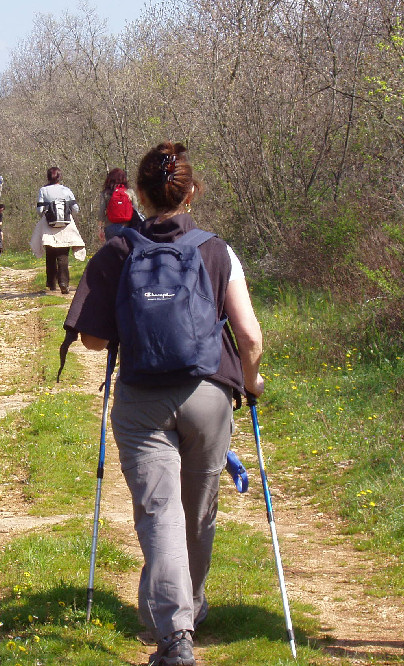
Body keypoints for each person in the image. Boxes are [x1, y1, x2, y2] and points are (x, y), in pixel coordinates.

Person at [63, 142, 264, 665]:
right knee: (197, 510)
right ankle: (189, 609)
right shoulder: (216, 250)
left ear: (138, 196)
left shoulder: (118, 251)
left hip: (142, 399)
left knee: (159, 513)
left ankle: (175, 634)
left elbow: (93, 342)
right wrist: (253, 380)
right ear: (191, 191)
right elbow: (250, 335)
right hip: (210, 394)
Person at [30, 167, 85, 294]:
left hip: (48, 226)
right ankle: (64, 282)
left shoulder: (43, 190)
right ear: (59, 177)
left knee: (50, 255)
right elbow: (76, 209)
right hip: (65, 226)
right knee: (63, 255)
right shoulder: (66, 190)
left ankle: (51, 283)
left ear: (48, 177)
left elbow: (39, 211)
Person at [97, 167, 141, 242]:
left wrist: (99, 229)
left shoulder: (105, 193)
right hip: (128, 227)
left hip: (110, 228)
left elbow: (101, 212)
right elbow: (136, 210)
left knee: (112, 251)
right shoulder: (130, 192)